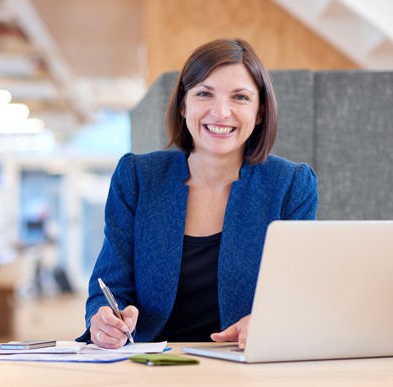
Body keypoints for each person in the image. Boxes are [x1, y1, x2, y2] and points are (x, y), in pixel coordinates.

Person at [76, 38, 318, 349]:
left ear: (259, 112)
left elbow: (300, 291)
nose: (221, 112)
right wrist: (103, 319)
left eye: (240, 97)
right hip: (151, 365)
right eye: (204, 93)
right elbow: (109, 285)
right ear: (183, 104)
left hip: (246, 364)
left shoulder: (290, 184)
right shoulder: (138, 177)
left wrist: (269, 323)